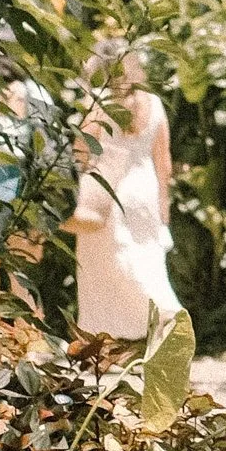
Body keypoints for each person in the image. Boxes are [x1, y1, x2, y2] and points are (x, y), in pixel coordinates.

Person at [68, 38, 180, 342]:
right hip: (145, 192)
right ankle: (163, 323)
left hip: (110, 191)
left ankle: (107, 338)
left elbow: (81, 149)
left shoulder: (101, 106)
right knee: (147, 263)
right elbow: (164, 163)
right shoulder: (153, 103)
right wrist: (163, 208)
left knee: (105, 272)